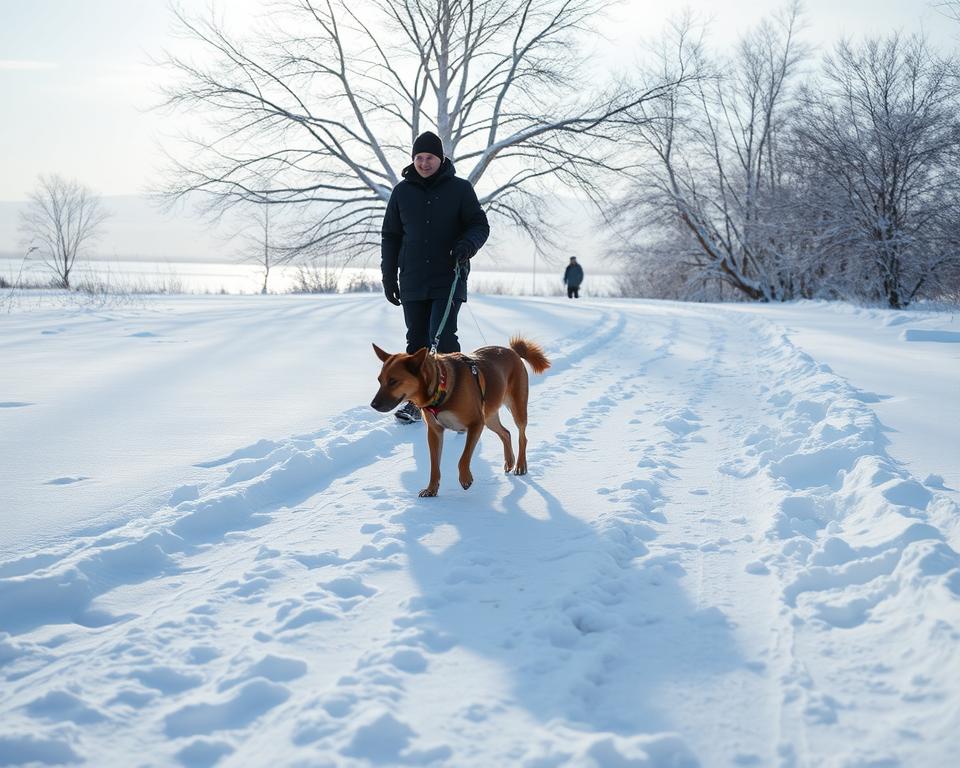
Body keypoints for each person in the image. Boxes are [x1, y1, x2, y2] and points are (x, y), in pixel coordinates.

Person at [381, 130, 490, 423]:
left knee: (442, 340)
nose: (424, 163)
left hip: (449, 276)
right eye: (418, 157)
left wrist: (467, 245)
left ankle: (457, 398)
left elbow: (480, 225)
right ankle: (417, 403)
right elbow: (390, 236)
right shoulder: (402, 192)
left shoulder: (460, 189)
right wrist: (389, 277)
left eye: (429, 157)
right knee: (416, 344)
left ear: (440, 159)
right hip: (413, 279)